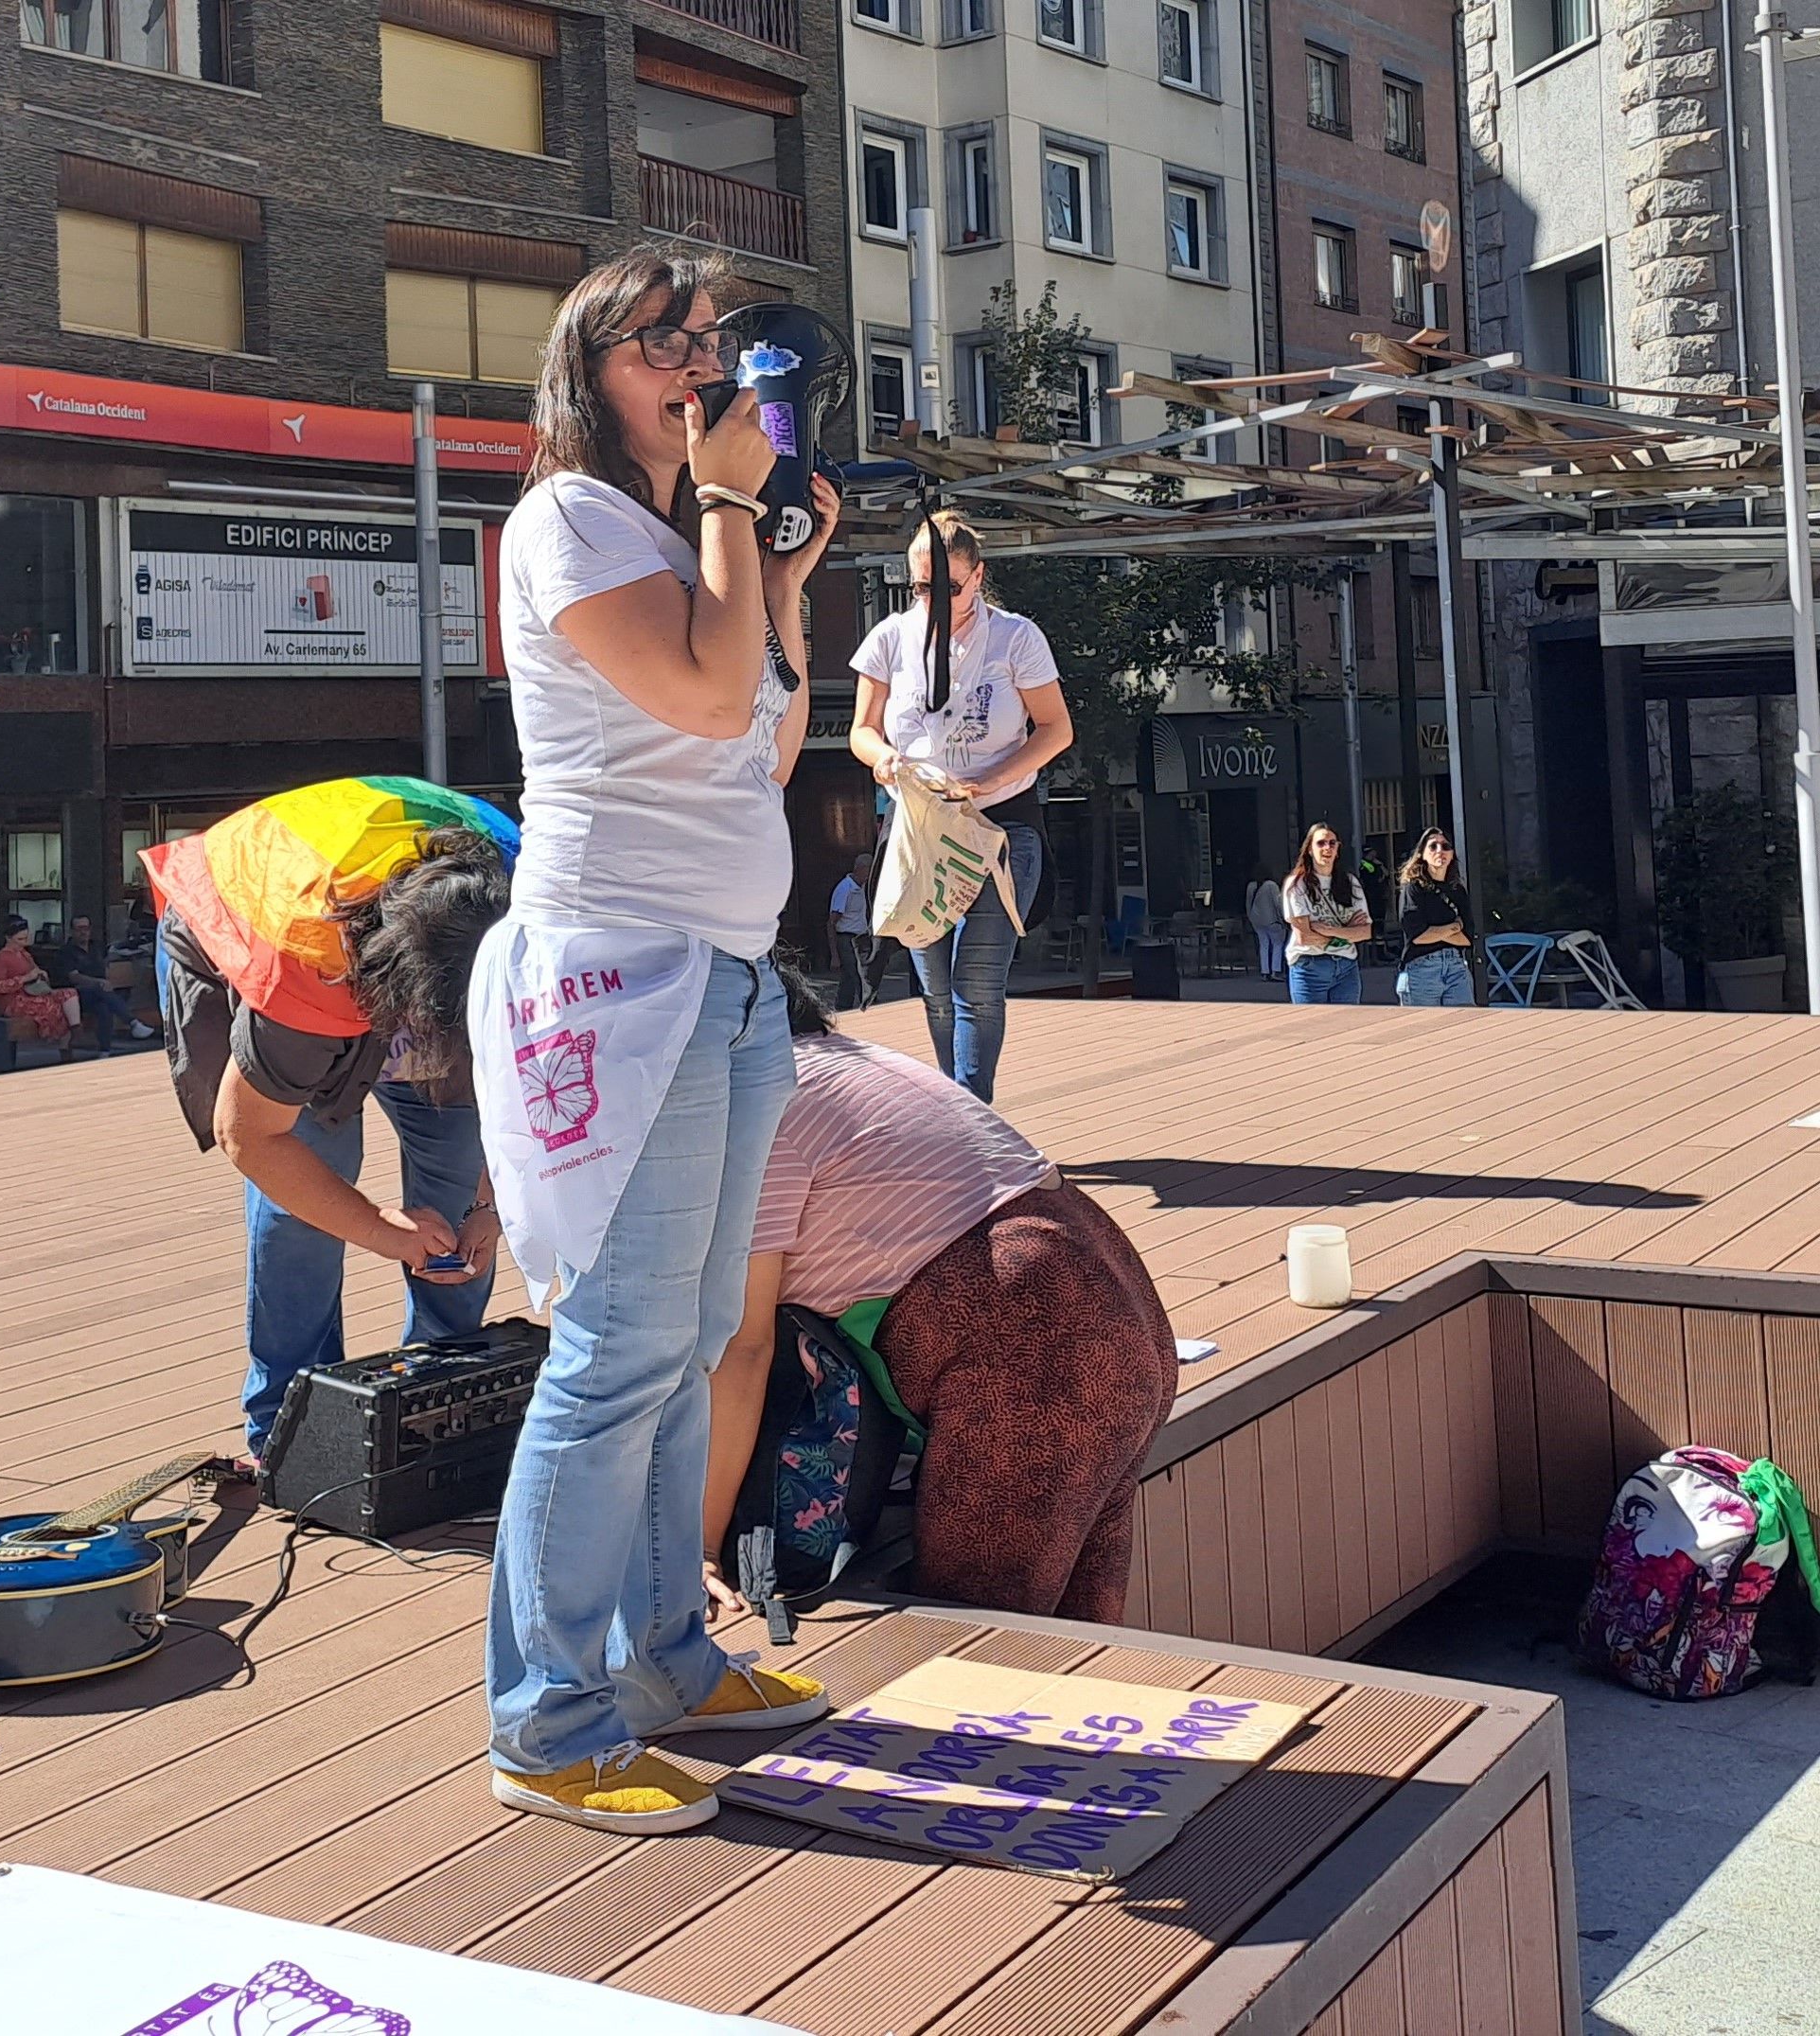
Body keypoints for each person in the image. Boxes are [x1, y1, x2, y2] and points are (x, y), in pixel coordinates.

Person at [467, 244, 841, 1839]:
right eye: (663, 341)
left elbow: (770, 737)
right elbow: (698, 700)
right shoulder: (568, 517)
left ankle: (666, 1660)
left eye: (710, 338)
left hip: (725, 978)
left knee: (689, 1333)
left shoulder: (694, 537)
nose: (700, 361)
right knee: (620, 1344)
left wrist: (780, 568)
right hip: (620, 980)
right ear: (588, 370)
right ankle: (546, 1724)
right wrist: (735, 507)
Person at [701, 969, 1175, 1622]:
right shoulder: (848, 1062)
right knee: (1075, 1632)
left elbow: (743, 1346)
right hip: (1113, 1305)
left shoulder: (759, 1102)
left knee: (983, 1639)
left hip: (1038, 1342)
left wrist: (697, 1544)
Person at [143, 778, 517, 1472]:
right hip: (270, 932)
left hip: (405, 950)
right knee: (306, 1210)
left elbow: (517, 1087)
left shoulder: (532, 916)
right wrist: (379, 1229)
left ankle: (439, 1391)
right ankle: (291, 1424)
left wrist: (492, 1206)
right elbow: (252, 1136)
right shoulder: (309, 967)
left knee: (458, 1198)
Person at [848, 511, 1075, 1103]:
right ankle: (958, 1114)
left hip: (1001, 826)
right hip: (920, 830)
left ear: (977, 576)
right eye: (922, 587)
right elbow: (862, 731)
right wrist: (883, 759)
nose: (935, 600)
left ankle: (972, 1114)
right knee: (936, 991)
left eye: (949, 587)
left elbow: (1056, 729)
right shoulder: (890, 638)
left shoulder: (1015, 638)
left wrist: (989, 781)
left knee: (975, 983)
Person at [1283, 823, 1371, 1004]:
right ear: (1309, 849)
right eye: (1321, 843)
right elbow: (1305, 937)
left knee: (1347, 1020)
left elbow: (1365, 932)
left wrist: (1328, 930)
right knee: (1313, 1021)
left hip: (1346, 967)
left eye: (1332, 843)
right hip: (1310, 967)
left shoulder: (1350, 882)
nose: (1327, 848)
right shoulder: (1297, 884)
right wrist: (1348, 933)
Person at [1392, 828, 1477, 1008]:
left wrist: (1435, 932)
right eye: (1433, 846)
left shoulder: (1457, 890)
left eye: (1445, 846)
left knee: (1464, 1020)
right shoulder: (1413, 888)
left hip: (1456, 966)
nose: (1440, 851)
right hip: (1422, 967)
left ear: (1452, 854)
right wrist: (1454, 927)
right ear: (1422, 854)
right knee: (1425, 1023)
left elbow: (1467, 938)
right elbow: (1417, 936)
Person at [47, 912, 158, 1047]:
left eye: (86, 928)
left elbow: (108, 961)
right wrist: (98, 982)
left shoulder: (96, 947)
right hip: (76, 997)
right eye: (79, 929)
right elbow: (74, 977)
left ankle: (104, 1051)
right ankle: (132, 1022)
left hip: (100, 994)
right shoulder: (65, 952)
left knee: (104, 1008)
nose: (83, 932)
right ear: (72, 931)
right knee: (100, 990)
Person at [0, 915, 82, 1040]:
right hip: (12, 1000)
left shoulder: (25, 954)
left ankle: (76, 1030)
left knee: (69, 994)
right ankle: (61, 1039)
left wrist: (41, 974)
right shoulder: (1, 958)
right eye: (20, 939)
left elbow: (34, 970)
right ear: (8, 938)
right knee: (51, 1006)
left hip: (32, 992)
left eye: (25, 938)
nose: (24, 943)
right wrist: (24, 979)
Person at [828, 853, 875, 1010]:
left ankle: (843, 1006)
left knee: (850, 976)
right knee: (857, 972)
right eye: (868, 871)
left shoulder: (862, 888)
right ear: (859, 869)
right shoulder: (845, 889)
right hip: (846, 938)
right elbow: (832, 922)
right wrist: (834, 955)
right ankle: (867, 1003)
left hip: (860, 936)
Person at [1246, 870, 1287, 980]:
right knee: (1278, 944)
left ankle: (1265, 971)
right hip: (1272, 920)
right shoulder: (1271, 885)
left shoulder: (1251, 886)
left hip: (1257, 920)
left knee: (1263, 944)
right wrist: (1283, 918)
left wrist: (1251, 918)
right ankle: (1276, 971)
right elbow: (1277, 903)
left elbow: (1248, 904)